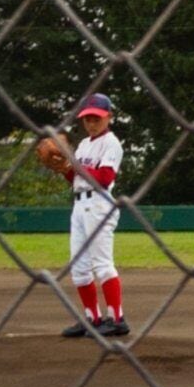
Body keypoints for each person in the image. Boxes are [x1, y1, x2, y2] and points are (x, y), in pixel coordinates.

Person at [42, 96, 129, 340]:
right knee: (79, 268)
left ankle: (117, 319)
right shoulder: (82, 145)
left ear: (108, 117)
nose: (91, 123)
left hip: (99, 205)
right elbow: (75, 179)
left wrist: (73, 163)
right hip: (80, 206)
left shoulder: (111, 143)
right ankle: (93, 319)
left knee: (102, 264)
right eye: (88, 119)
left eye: (96, 118)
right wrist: (64, 168)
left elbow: (104, 178)